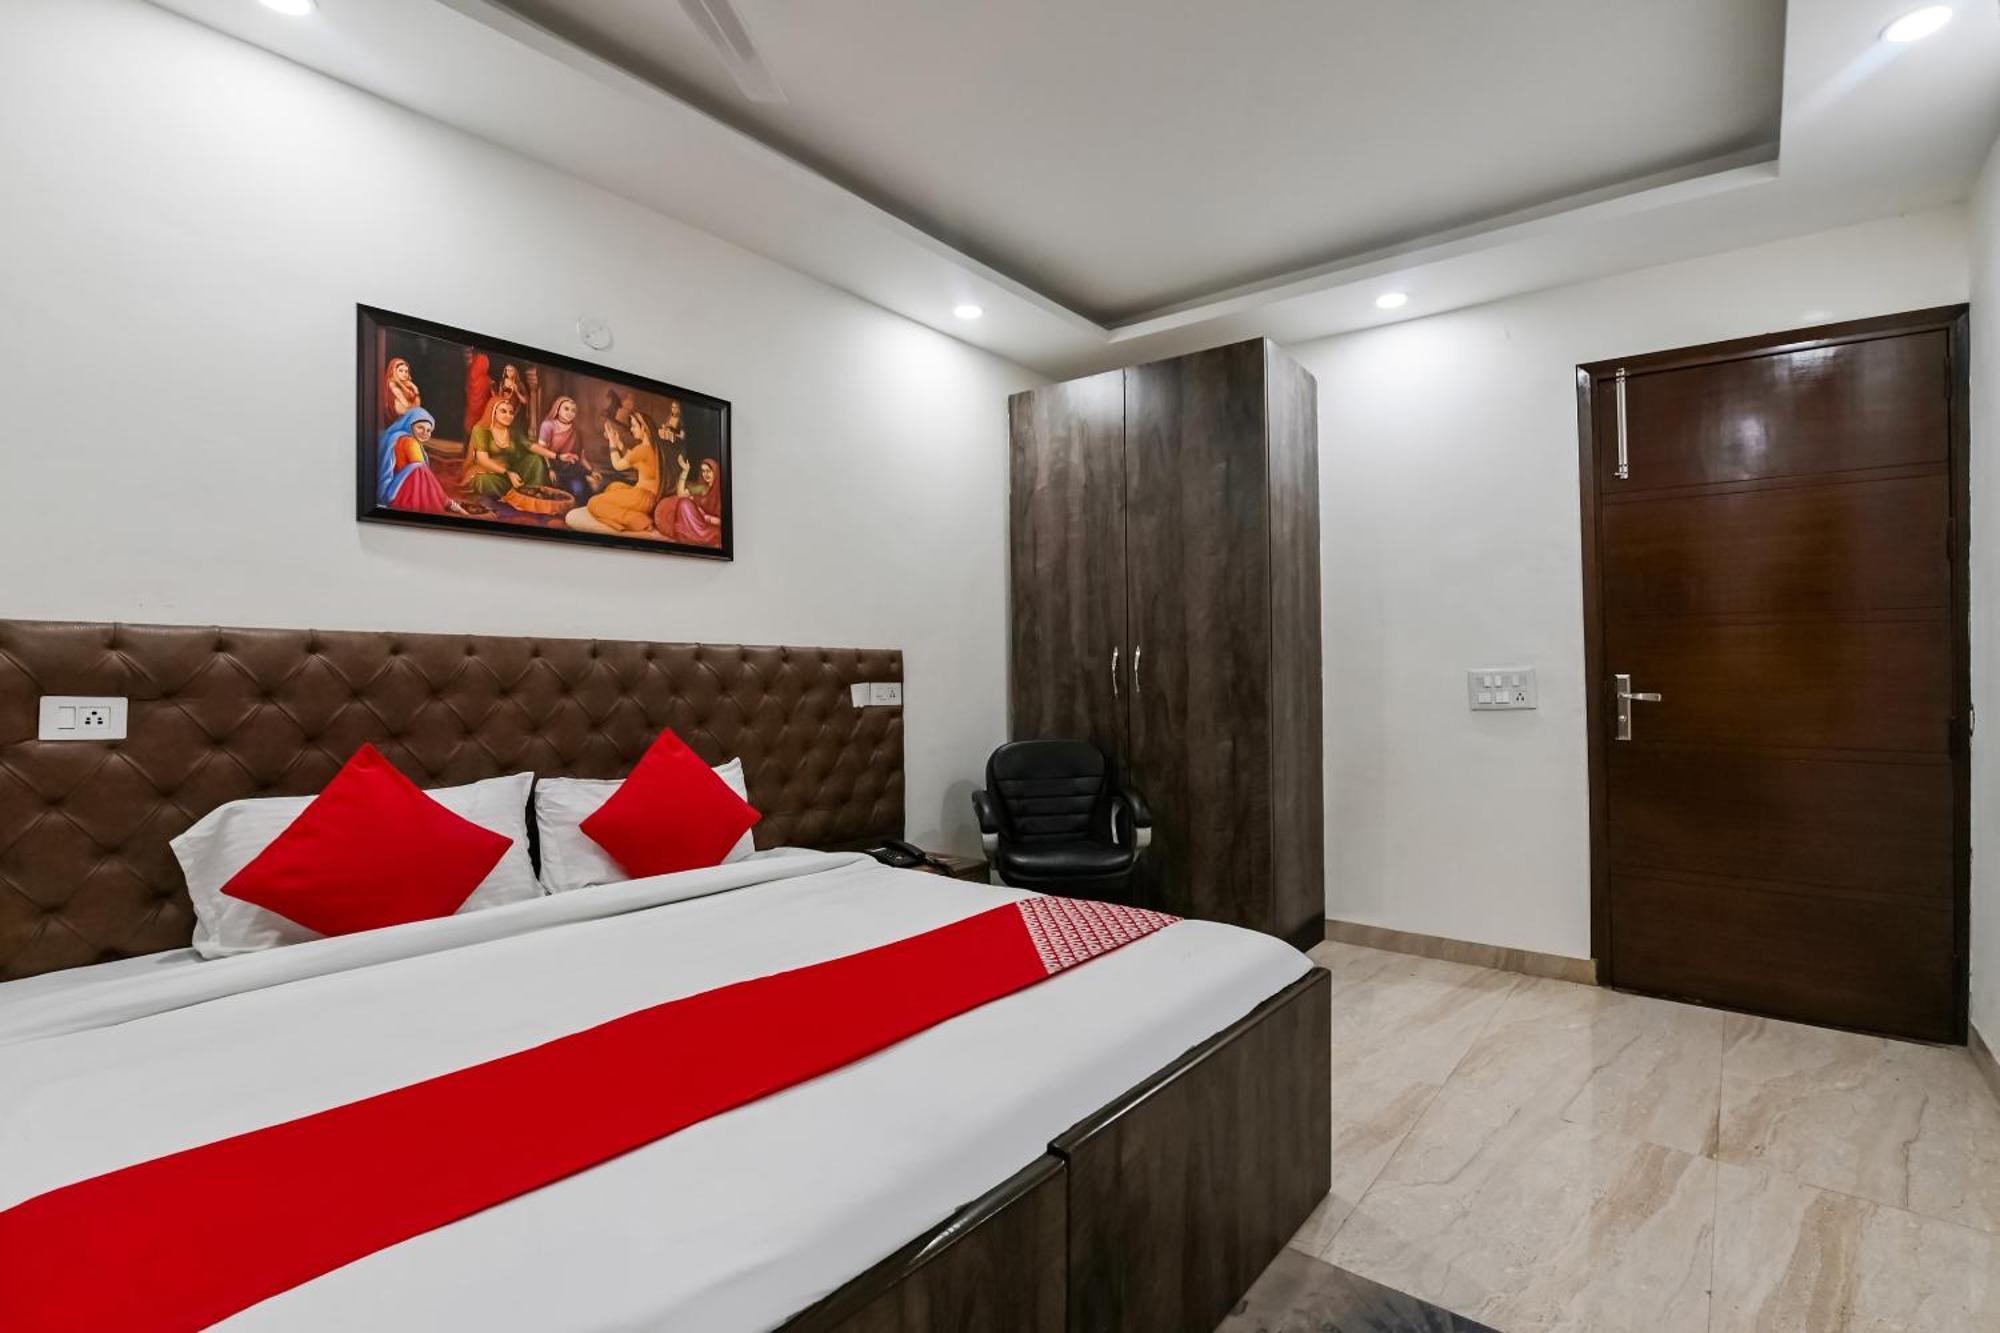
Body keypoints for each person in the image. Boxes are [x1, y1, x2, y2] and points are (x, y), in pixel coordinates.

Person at [586, 412, 661, 533]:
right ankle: (634, 515)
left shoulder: (642, 449)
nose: (631, 429)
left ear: (644, 427)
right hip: (648, 498)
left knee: (594, 502)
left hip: (643, 497)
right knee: (613, 487)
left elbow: (617, 465)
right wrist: (618, 442)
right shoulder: (652, 448)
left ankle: (638, 519)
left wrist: (612, 443)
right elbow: (634, 459)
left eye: (634, 426)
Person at [376, 408, 462, 515]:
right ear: (410, 425)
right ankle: (448, 503)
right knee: (419, 469)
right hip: (397, 493)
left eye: (428, 430)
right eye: (420, 428)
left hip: (391, 489)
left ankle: (448, 502)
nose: (425, 433)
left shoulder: (396, 437)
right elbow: (423, 474)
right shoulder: (410, 442)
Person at [460, 397, 547, 498]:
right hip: (490, 472)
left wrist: (557, 456)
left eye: (511, 413)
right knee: (483, 481)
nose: (508, 416)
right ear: (493, 412)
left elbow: (530, 446)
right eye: (503, 411)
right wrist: (507, 473)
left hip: (512, 471)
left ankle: (530, 492)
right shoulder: (481, 430)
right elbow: (483, 460)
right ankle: (512, 496)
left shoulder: (513, 430)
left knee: (536, 460)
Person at [539, 396, 599, 504]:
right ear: (557, 409)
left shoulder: (577, 431)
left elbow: (581, 457)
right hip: (552, 468)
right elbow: (542, 450)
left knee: (582, 493)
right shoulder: (548, 425)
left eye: (573, 410)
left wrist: (591, 471)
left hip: (572, 470)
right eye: (566, 409)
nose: (570, 413)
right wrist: (550, 469)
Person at [656, 454, 724, 547]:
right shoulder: (702, 488)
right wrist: (685, 471)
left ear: (715, 472)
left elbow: (724, 521)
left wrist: (707, 518)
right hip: (696, 524)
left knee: (718, 534)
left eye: (708, 471)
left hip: (710, 527)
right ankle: (689, 536)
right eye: (703, 471)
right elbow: (680, 494)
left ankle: (698, 537)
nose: (705, 474)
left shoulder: (721, 491)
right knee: (684, 503)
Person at [380, 357, 421, 426]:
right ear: (394, 372)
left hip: (407, 419)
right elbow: (408, 406)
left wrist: (414, 388)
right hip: (396, 422)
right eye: (400, 371)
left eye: (406, 371)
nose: (404, 374)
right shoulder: (392, 385)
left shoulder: (407, 384)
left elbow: (417, 406)